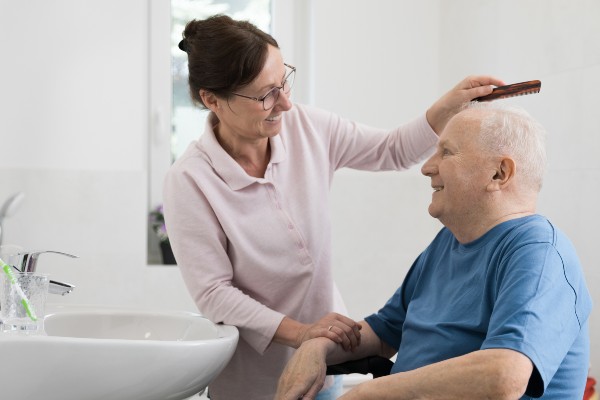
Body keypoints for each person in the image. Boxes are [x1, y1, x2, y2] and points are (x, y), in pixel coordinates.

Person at [162, 14, 504, 400]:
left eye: (284, 82)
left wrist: (449, 105)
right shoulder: (190, 180)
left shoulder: (307, 127)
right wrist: (303, 333)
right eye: (265, 95)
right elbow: (215, 294)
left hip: (325, 369)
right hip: (251, 384)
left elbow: (391, 151)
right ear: (212, 100)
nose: (286, 103)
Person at [275, 102, 592, 400]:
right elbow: (384, 332)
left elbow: (505, 375)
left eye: (447, 152)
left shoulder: (538, 253)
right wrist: (315, 347)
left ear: (499, 174)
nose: (427, 167)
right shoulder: (448, 242)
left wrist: (366, 394)